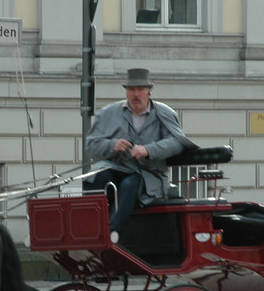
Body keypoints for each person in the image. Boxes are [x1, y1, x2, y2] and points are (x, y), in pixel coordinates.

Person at [84, 68, 196, 241]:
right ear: (127, 92)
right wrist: (112, 144)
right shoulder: (108, 113)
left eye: (140, 89)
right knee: (96, 177)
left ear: (149, 92)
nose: (136, 94)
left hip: (148, 174)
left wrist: (148, 150)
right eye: (131, 90)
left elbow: (177, 142)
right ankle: (90, 228)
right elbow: (91, 144)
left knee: (130, 184)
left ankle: (110, 232)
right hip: (117, 166)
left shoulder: (165, 113)